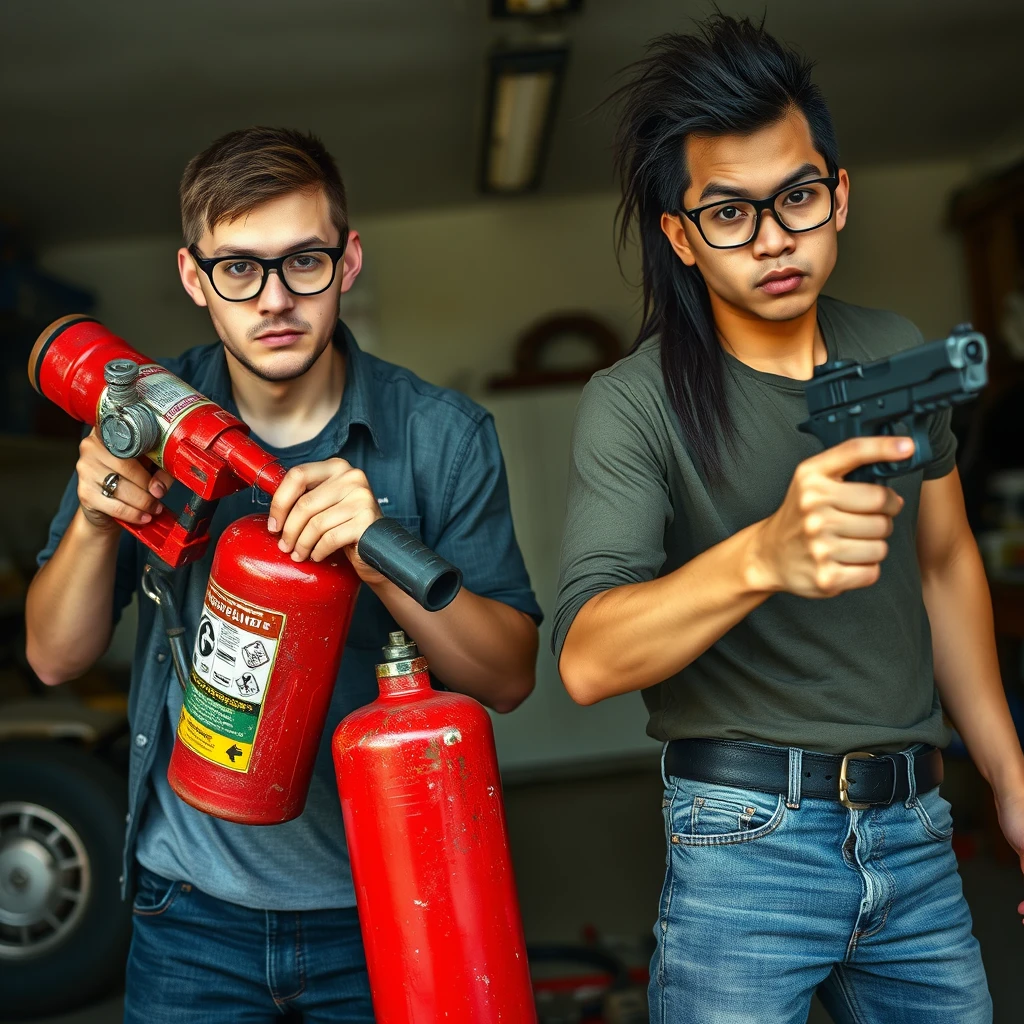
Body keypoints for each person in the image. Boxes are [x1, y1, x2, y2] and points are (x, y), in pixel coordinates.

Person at [553, 16, 1024, 1024]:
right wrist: (762, 555)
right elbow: (588, 660)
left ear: (838, 195)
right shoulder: (632, 402)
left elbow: (942, 564)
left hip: (916, 830)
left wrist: (1011, 771)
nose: (772, 237)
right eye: (728, 211)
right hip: (743, 839)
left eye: (797, 197)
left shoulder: (891, 347)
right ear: (678, 235)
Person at [25, 126, 541, 1023]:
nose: (274, 299)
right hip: (189, 912)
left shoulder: (440, 436)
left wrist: (380, 561)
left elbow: (507, 679)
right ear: (195, 278)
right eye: (239, 269)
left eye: (304, 261)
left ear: (349, 263)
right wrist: (95, 524)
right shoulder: (145, 416)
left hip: (386, 909)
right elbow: (52, 660)